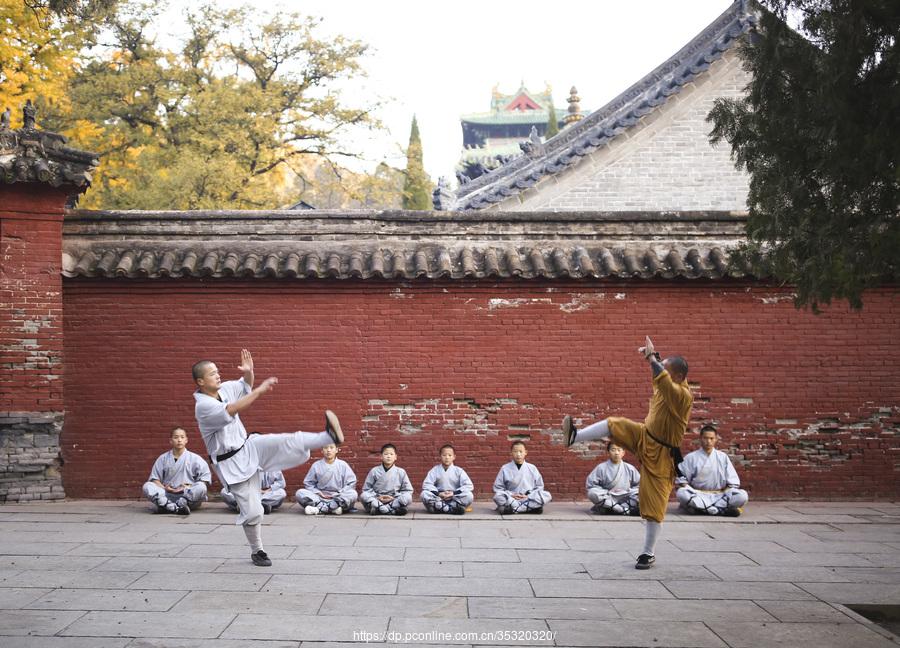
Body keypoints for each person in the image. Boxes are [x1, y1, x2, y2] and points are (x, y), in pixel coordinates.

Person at [193, 349, 343, 567]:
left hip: (250, 446)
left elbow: (244, 386)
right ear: (200, 381)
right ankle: (258, 551)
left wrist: (249, 373)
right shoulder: (203, 406)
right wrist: (260, 391)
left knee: (287, 440)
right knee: (254, 513)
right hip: (231, 464)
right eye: (212, 373)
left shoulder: (223, 389)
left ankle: (329, 437)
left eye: (217, 371)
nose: (218, 375)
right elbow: (233, 409)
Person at [562, 337, 692, 570]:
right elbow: (661, 376)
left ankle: (647, 553)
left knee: (654, 504)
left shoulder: (682, 396)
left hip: (662, 453)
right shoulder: (666, 384)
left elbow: (663, 379)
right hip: (644, 435)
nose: (662, 372)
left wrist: (651, 358)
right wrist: (656, 359)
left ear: (680, 377)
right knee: (615, 424)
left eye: (667, 371)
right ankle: (575, 436)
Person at [676, 425, 748, 516]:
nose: (708, 441)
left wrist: (726, 492)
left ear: (716, 439)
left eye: (711, 438)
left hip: (720, 495)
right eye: (705, 438)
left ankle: (703, 509)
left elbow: (733, 483)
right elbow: (682, 480)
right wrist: (692, 491)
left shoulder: (722, 457)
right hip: (698, 495)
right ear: (700, 439)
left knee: (742, 496)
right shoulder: (691, 457)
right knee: (681, 493)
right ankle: (720, 511)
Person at [142, 427, 211, 515]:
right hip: (167, 495)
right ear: (170, 440)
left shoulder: (196, 459)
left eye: (182, 437)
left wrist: (186, 486)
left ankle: (170, 507)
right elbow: (155, 479)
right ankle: (175, 507)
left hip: (187, 496)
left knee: (201, 487)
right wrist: (165, 488)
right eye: (176, 437)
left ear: (186, 440)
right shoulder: (163, 458)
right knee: (147, 486)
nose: (179, 440)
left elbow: (204, 481)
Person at [295, 442, 358, 515]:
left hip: (337, 497)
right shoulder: (316, 465)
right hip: (319, 497)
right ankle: (332, 509)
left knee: (353, 494)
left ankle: (319, 509)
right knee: (300, 493)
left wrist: (339, 493)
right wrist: (318, 492)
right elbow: (308, 483)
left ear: (336, 450)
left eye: (331, 448)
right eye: (325, 448)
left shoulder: (343, 465)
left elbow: (351, 482)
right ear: (322, 451)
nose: (328, 450)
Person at [492, 440, 552, 514]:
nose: (518, 454)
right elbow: (498, 488)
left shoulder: (532, 468)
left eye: (521, 451)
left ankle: (514, 510)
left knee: (547, 495)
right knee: (498, 496)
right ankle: (529, 509)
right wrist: (511, 495)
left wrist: (528, 495)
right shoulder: (505, 468)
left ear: (525, 452)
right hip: (512, 499)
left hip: (528, 498)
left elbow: (539, 487)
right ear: (511, 453)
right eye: (515, 451)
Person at [586, 441, 641, 516]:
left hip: (626, 497)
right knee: (592, 493)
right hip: (609, 497)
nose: (616, 453)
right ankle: (624, 510)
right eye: (613, 450)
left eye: (619, 450)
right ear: (608, 452)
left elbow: (640, 485)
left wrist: (628, 491)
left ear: (623, 453)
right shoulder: (601, 468)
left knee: (644, 492)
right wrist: (606, 492)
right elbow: (591, 485)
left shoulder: (629, 468)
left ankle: (613, 509)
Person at [360, 443, 413, 516]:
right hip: (378, 498)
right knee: (364, 495)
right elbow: (366, 489)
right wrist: (378, 497)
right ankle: (392, 510)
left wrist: (393, 498)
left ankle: (380, 509)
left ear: (395, 457)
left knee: (408, 497)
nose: (388, 456)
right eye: (386, 454)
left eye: (391, 454)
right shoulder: (374, 471)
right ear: (381, 457)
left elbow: (408, 490)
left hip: (394, 499)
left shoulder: (401, 472)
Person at [421, 444, 474, 515]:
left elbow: (469, 486)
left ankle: (440, 508)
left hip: (454, 497)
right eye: (444, 455)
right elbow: (426, 484)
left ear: (454, 457)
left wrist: (453, 493)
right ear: (440, 456)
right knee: (424, 494)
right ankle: (451, 509)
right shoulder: (435, 470)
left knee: (469, 495)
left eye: (449, 455)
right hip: (439, 497)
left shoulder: (459, 471)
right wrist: (439, 494)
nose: (447, 457)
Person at [222, 469, 286, 514]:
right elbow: (237, 482)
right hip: (248, 494)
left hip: (265, 495)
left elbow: (281, 483)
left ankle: (245, 507)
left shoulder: (273, 466)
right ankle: (261, 506)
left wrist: (266, 491)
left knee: (281, 493)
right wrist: (251, 491)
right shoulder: (246, 464)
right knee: (224, 491)